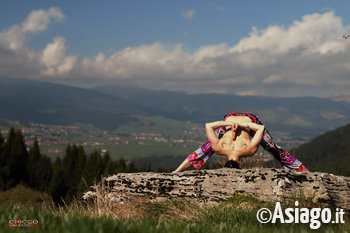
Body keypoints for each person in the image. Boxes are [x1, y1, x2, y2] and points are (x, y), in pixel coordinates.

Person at [173, 113, 309, 173]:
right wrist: (232, 122)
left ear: (240, 165)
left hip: (247, 120)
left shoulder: (248, 151)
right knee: (206, 149)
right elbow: (209, 126)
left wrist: (238, 124)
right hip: (230, 117)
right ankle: (303, 170)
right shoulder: (220, 148)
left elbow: (260, 128)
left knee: (273, 149)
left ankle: (177, 171)